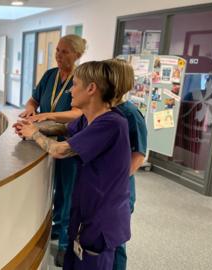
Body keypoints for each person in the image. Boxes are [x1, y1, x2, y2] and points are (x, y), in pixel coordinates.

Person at [14, 61, 131, 269]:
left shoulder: (112, 123)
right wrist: (33, 127)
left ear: (91, 88)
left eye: (75, 84)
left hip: (102, 217)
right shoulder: (89, 119)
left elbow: (61, 150)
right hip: (85, 210)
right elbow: (63, 128)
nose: (70, 90)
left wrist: (34, 134)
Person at [20, 34, 86, 265]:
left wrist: (49, 114)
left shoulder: (82, 78)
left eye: (65, 51)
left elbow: (79, 113)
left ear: (77, 55)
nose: (58, 55)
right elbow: (33, 100)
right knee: (51, 188)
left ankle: (66, 245)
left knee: (67, 193)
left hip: (68, 143)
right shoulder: (49, 75)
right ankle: (57, 227)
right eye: (57, 50)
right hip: (44, 141)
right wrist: (30, 111)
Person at [104, 59, 147, 270]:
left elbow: (139, 155)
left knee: (115, 241)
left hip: (119, 191)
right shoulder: (105, 110)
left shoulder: (130, 114)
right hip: (102, 188)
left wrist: (116, 183)